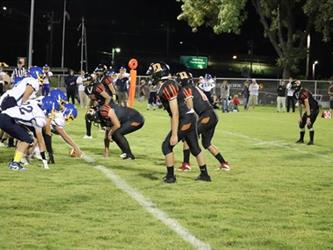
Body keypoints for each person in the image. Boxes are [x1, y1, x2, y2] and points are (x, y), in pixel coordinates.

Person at [146, 62, 211, 183]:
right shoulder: (167, 85)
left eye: (153, 73)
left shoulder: (167, 86)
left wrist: (175, 134)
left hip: (185, 118)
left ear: (158, 74)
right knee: (194, 146)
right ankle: (204, 175)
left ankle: (170, 176)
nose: (151, 76)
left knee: (166, 146)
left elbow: (175, 113)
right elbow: (174, 113)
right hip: (188, 117)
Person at [176, 71, 230, 171]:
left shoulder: (186, 89)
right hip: (212, 115)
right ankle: (224, 163)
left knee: (188, 135)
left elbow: (190, 106)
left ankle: (186, 164)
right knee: (206, 144)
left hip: (207, 116)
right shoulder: (195, 87)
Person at [0, 96, 59, 170]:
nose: (54, 113)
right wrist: (45, 162)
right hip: (8, 119)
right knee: (27, 139)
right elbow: (40, 142)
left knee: (25, 138)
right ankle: (15, 163)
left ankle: (15, 161)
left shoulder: (34, 105)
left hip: (5, 117)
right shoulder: (40, 118)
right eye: (53, 110)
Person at [292, 80, 319, 145]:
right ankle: (301, 139)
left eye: (294, 86)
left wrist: (308, 117)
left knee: (309, 124)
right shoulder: (298, 93)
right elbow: (300, 105)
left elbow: (307, 104)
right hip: (309, 109)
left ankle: (311, 141)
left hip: (314, 109)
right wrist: (300, 117)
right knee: (301, 124)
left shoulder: (304, 92)